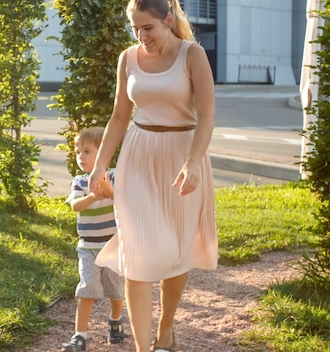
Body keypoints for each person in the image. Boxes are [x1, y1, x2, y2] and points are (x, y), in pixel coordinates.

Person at [88, 0, 218, 351]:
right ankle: (143, 349)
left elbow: (206, 116)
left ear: (168, 20)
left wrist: (193, 162)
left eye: (148, 28)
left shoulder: (192, 56)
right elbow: (118, 116)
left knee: (177, 250)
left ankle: (166, 328)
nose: (141, 36)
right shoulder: (128, 58)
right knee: (136, 255)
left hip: (182, 156)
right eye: (135, 29)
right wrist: (101, 164)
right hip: (139, 155)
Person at [62, 126, 130, 352]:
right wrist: (92, 195)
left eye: (87, 151)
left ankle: (115, 321)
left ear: (103, 154)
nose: (80, 156)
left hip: (112, 246)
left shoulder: (114, 175)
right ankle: (79, 335)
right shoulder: (79, 182)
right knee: (87, 289)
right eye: (78, 151)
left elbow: (121, 199)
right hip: (89, 248)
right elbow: (74, 206)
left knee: (115, 288)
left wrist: (107, 189)